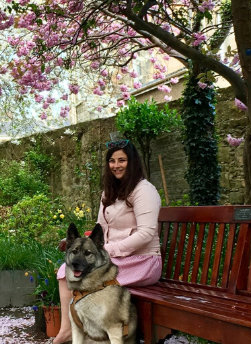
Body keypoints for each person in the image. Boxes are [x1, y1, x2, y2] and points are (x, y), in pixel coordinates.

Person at [53, 139, 162, 344]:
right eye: (112, 161)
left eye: (122, 160)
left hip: (143, 260)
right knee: (66, 271)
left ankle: (86, 333)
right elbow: (99, 230)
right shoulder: (109, 192)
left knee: (85, 274)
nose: (116, 165)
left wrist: (109, 251)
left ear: (132, 162)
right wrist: (77, 243)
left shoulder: (144, 190)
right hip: (113, 258)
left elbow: (147, 233)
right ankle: (70, 330)